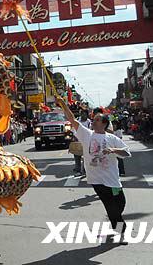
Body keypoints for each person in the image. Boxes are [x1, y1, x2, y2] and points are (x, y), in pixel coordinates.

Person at [58, 98, 131, 244]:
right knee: (111, 206)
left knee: (120, 203)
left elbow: (127, 153)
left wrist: (113, 150)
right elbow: (72, 119)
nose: (93, 121)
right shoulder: (87, 134)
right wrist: (62, 104)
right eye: (94, 119)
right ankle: (120, 233)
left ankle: (116, 222)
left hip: (113, 179)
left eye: (97, 120)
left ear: (104, 123)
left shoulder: (112, 138)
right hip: (96, 180)